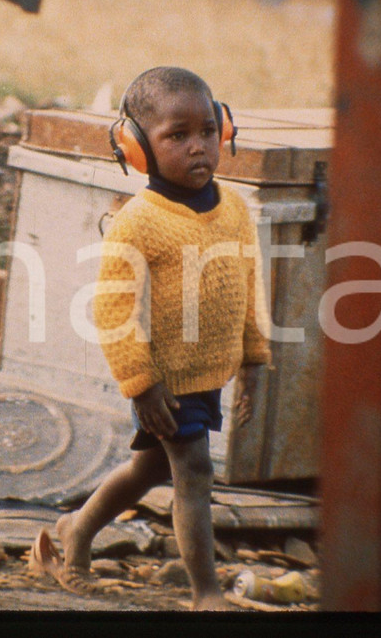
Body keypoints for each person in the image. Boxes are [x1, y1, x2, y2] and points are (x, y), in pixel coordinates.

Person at [49, 67, 272, 610]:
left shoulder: (235, 209)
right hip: (164, 383)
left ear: (223, 128)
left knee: (148, 470)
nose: (198, 147)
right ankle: (206, 595)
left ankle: (75, 533)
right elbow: (112, 309)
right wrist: (142, 385)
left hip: (208, 374)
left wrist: (255, 361)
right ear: (137, 146)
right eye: (177, 135)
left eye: (205, 130)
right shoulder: (139, 221)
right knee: (194, 473)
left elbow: (247, 285)